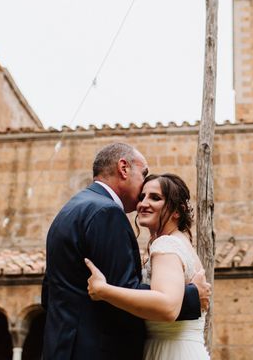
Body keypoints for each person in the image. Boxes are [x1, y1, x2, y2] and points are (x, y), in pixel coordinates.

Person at [41, 143, 210, 359]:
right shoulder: (106, 212)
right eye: (143, 174)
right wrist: (190, 297)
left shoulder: (71, 209)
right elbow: (122, 291)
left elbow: (49, 294)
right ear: (123, 168)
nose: (143, 198)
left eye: (154, 197)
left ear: (177, 210)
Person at [85, 173, 210, 360]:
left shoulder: (166, 245)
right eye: (142, 197)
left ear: (178, 210)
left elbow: (167, 307)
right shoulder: (179, 242)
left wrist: (103, 290)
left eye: (155, 198)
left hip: (171, 351)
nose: (143, 203)